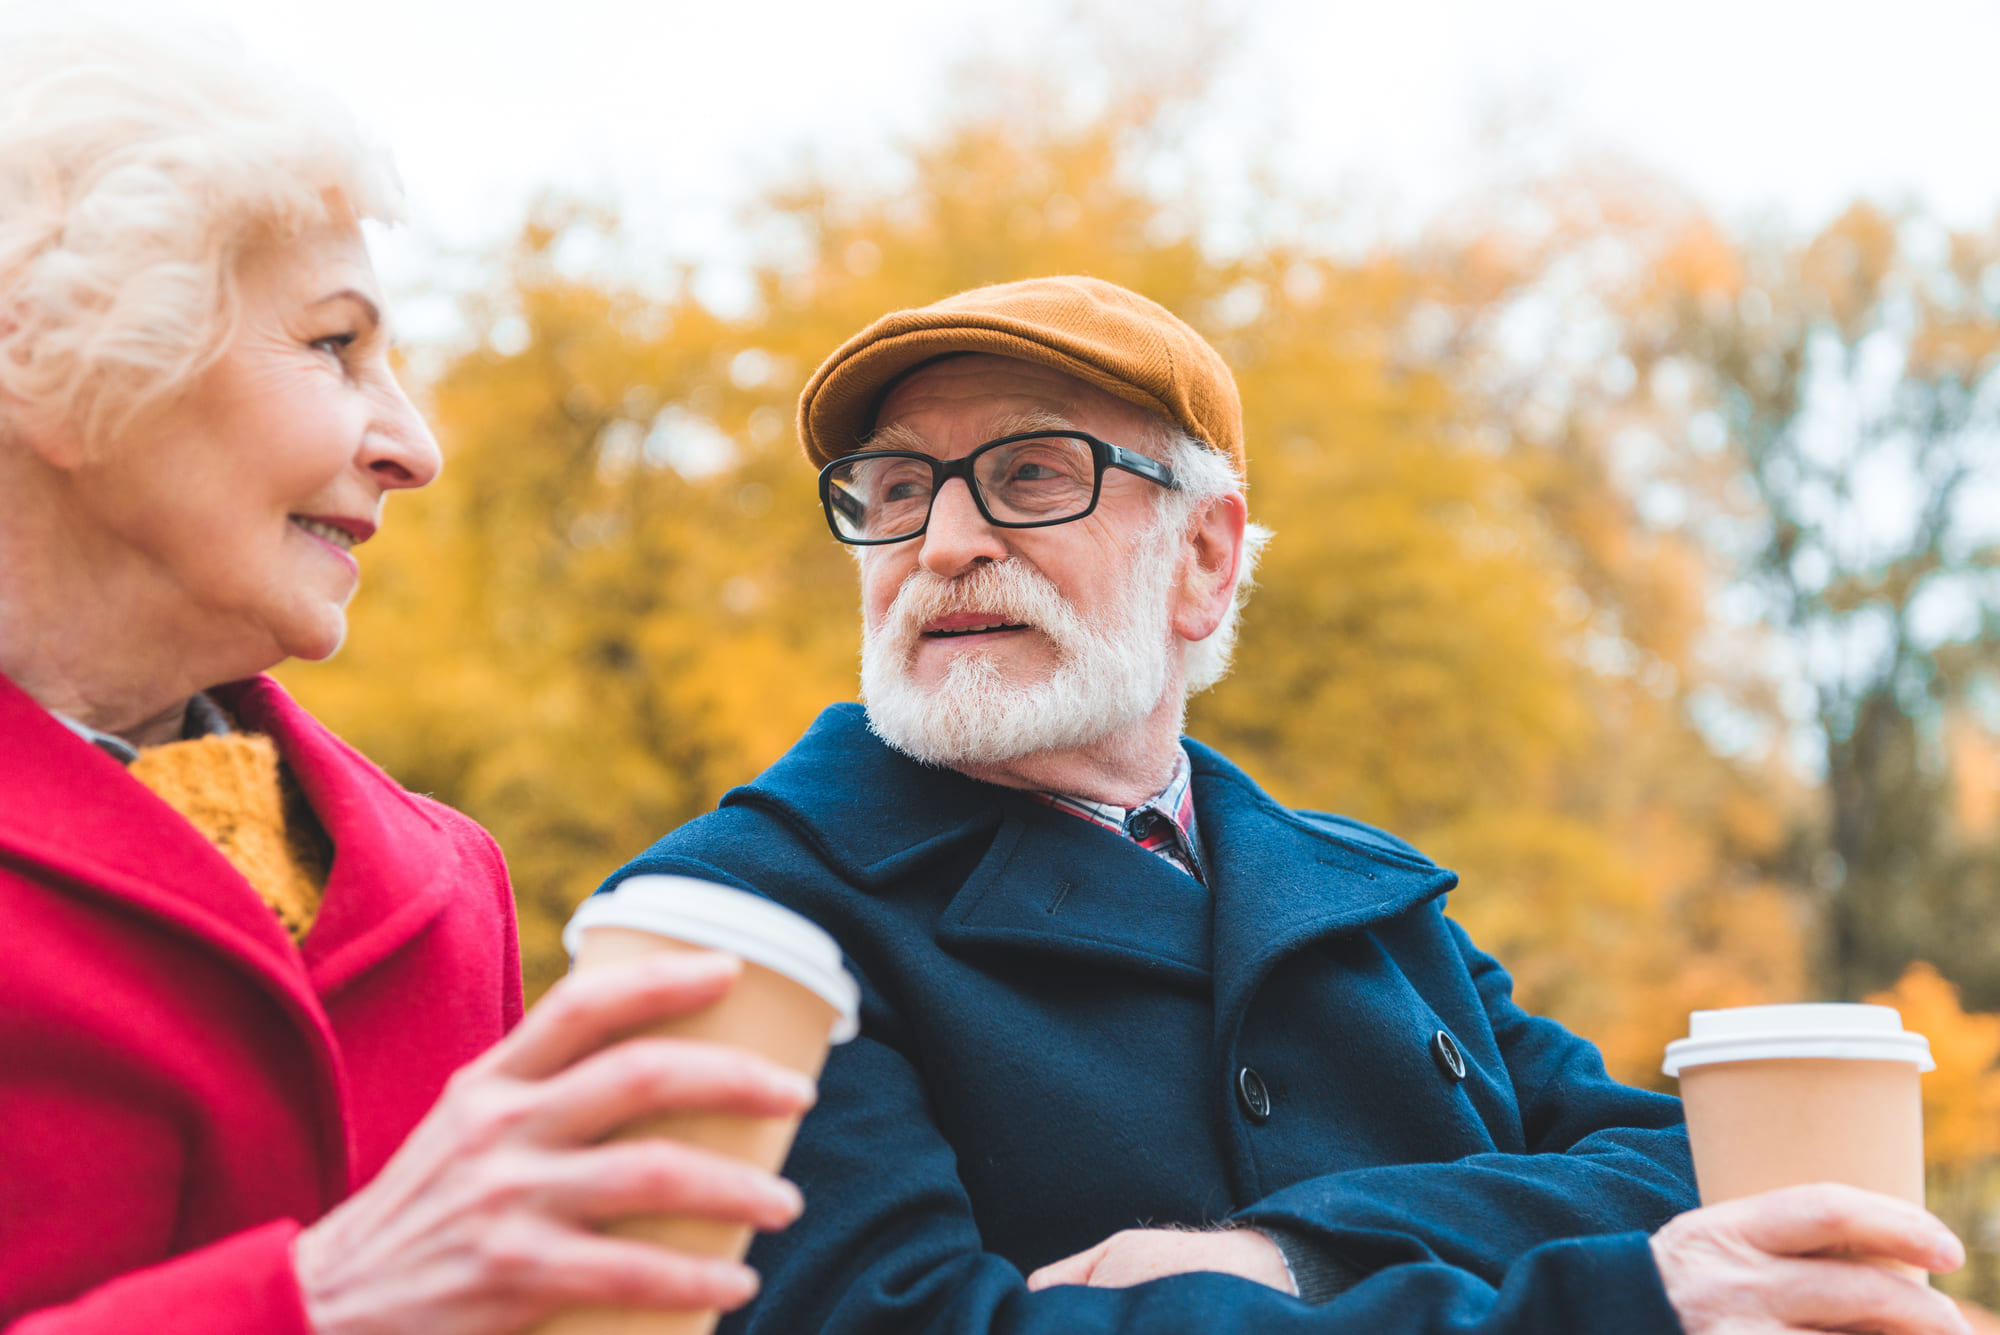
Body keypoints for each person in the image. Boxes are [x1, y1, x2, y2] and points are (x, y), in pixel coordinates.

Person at [598, 276, 1974, 1335]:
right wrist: (1601, 1304)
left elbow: (1703, 1174)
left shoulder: (1358, 895)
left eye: (1030, 473)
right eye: (896, 491)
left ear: (1203, 557)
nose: (944, 542)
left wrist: (1284, 1256)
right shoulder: (736, 918)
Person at [0, 17, 813, 1333]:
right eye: (333, 345)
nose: (416, 446)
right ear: (46, 352)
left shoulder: (451, 885)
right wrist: (313, 1303)